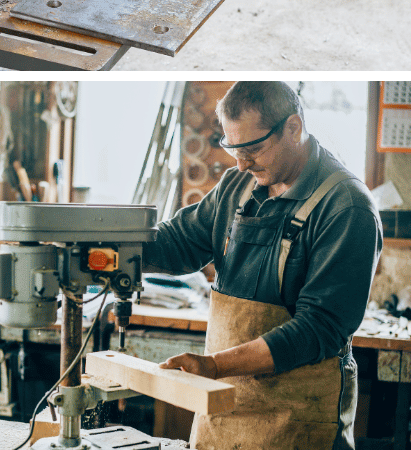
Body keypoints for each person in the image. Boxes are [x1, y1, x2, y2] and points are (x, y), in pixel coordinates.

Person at [147, 81, 381, 450]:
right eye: (232, 147)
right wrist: (111, 248)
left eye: (253, 148)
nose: (240, 163)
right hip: (224, 415)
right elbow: (178, 243)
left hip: (299, 421)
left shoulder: (346, 208)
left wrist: (215, 366)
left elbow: (318, 328)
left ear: (294, 127)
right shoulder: (237, 184)